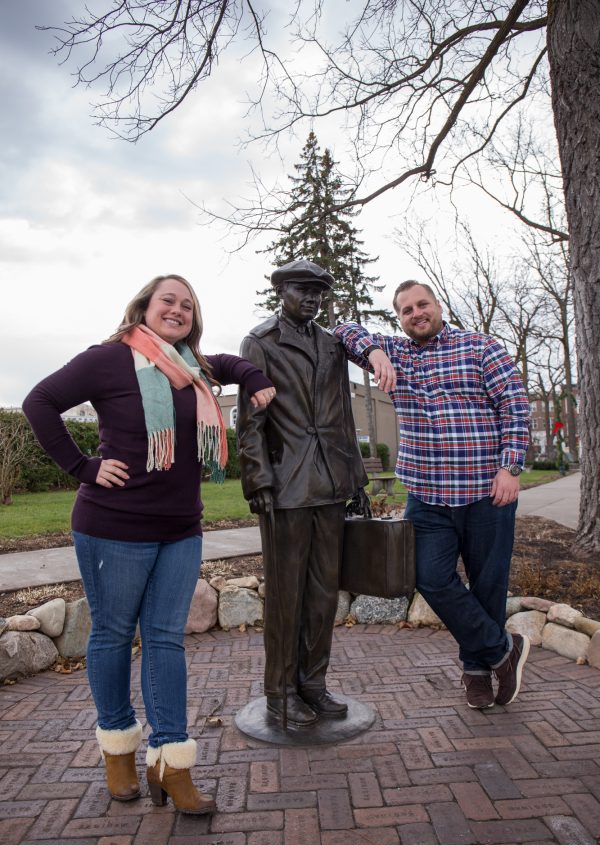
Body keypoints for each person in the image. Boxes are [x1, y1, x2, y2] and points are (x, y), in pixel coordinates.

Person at [23, 274, 275, 813]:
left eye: (187, 305)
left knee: (166, 641)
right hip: (112, 525)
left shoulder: (191, 368)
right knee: (112, 636)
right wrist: (82, 466)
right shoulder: (109, 358)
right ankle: (118, 750)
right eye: (169, 300)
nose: (178, 310)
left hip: (180, 528)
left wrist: (251, 374)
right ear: (144, 306)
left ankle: (169, 762)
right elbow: (39, 401)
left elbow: (227, 364)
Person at [334, 280, 531, 710]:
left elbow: (515, 408)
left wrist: (510, 467)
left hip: (486, 491)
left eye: (422, 304)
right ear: (399, 318)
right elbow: (342, 329)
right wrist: (373, 351)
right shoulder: (396, 352)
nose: (415, 313)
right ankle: (503, 650)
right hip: (427, 495)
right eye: (405, 309)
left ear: (438, 305)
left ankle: (476, 671)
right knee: (429, 577)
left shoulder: (481, 347)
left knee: (488, 585)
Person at [237, 260, 369, 727]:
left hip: (331, 483)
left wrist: (356, 477)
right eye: (302, 289)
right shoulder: (261, 342)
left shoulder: (332, 345)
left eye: (318, 291)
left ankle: (313, 683)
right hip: (287, 486)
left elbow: (343, 417)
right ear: (282, 291)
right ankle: (280, 692)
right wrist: (258, 480)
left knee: (322, 595)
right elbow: (251, 421)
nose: (311, 298)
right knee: (286, 596)